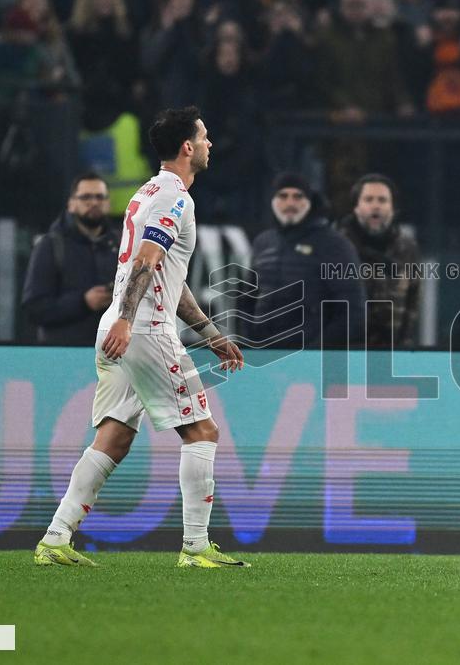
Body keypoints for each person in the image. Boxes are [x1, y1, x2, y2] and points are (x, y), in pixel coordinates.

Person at [34, 106, 249, 569]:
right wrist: (129, 322)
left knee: (113, 437)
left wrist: (210, 334)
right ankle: (195, 547)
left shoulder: (146, 192)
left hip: (119, 324)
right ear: (188, 147)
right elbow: (147, 260)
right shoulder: (175, 198)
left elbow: (169, 277)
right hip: (143, 329)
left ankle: (55, 538)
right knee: (202, 430)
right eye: (204, 137)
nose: (209, 144)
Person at [246, 173, 366, 349]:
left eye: (298, 196)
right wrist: (250, 340)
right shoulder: (263, 242)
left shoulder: (335, 245)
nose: (290, 203)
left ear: (310, 202)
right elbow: (247, 299)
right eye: (283, 196)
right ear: (273, 201)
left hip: (310, 356)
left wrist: (315, 351)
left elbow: (353, 310)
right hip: (264, 354)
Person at [21, 172, 121, 345]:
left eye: (100, 197)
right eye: (86, 197)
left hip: (112, 353)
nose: (94, 202)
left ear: (108, 203)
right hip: (62, 354)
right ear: (71, 204)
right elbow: (34, 309)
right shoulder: (50, 245)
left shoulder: (121, 245)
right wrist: (83, 302)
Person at [335, 174, 421, 348]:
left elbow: (413, 300)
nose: (376, 206)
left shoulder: (407, 248)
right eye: (368, 199)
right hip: (343, 350)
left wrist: (404, 344)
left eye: (382, 200)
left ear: (393, 208)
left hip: (391, 350)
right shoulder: (335, 246)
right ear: (356, 207)